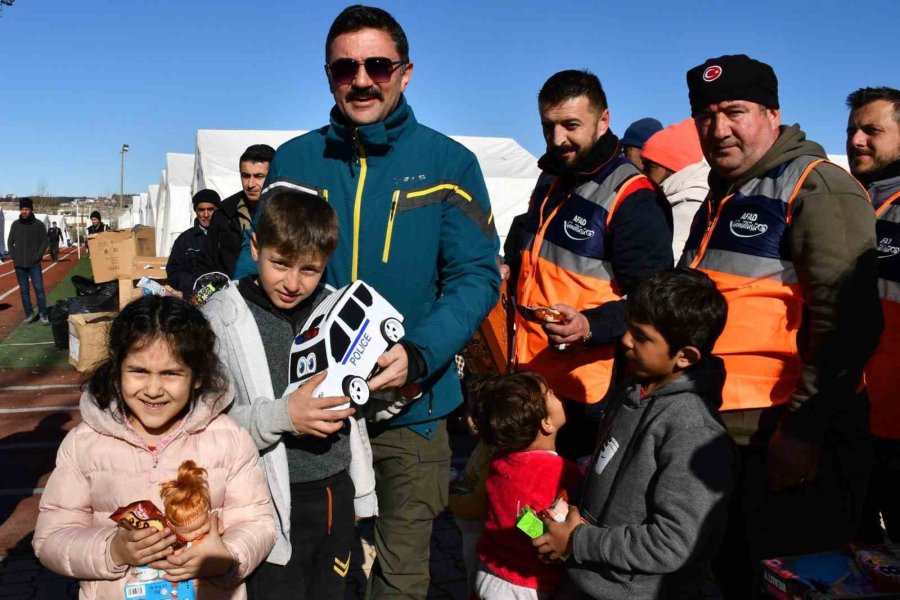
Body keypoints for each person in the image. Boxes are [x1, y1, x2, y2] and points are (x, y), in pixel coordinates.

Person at [233, 6, 500, 598]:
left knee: (400, 574)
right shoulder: (296, 159)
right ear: (328, 75)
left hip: (410, 410)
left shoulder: (450, 163)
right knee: (310, 566)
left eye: (377, 65)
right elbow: (253, 270)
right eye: (344, 67)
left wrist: (420, 352)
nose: (361, 79)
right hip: (309, 412)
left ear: (405, 72)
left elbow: (477, 276)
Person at [678, 54, 882, 597]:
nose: (718, 129)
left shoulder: (818, 189)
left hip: (784, 440)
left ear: (773, 113)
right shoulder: (725, 191)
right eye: (705, 116)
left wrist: (803, 432)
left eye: (735, 112)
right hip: (721, 431)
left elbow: (849, 325)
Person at [32, 295, 275, 599]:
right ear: (117, 370)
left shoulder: (229, 439)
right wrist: (113, 550)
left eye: (171, 374)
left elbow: (258, 524)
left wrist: (226, 557)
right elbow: (51, 538)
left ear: (197, 377)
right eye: (139, 371)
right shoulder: (85, 444)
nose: (153, 389)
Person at [203, 190, 377, 599]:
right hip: (262, 500)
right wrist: (284, 417)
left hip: (335, 490)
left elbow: (362, 412)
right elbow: (205, 427)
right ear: (254, 248)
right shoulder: (221, 318)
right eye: (279, 263)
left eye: (310, 269)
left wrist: (387, 385)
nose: (293, 283)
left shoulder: (339, 306)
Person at [534, 268, 735, 600]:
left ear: (685, 356)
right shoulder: (633, 390)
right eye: (629, 328)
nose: (626, 340)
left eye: (641, 337)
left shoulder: (693, 432)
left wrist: (578, 541)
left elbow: (672, 543)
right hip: (586, 579)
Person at [513, 69, 673, 460]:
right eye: (548, 126)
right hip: (530, 375)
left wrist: (589, 326)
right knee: (524, 506)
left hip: (586, 396)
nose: (557, 139)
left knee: (565, 507)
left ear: (604, 121)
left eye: (570, 125)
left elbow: (653, 301)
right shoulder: (552, 177)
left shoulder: (634, 197)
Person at [845, 86, 900, 544]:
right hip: (849, 417)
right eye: (853, 130)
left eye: (872, 130)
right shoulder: (847, 203)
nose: (858, 140)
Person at [473, 372, 581, 600]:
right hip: (526, 583)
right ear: (547, 423)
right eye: (549, 393)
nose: (557, 394)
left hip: (489, 570)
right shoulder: (562, 471)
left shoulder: (501, 460)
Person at [199, 144, 276, 278]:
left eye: (259, 176)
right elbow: (208, 262)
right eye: (245, 176)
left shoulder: (287, 212)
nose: (250, 184)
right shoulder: (223, 213)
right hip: (231, 292)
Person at [640, 118, 709, 259]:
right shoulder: (673, 197)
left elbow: (664, 262)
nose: (643, 173)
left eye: (650, 167)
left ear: (673, 168)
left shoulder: (689, 206)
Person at [166, 189, 221, 299]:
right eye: (201, 210)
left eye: (211, 209)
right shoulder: (185, 240)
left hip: (225, 298)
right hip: (195, 299)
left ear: (218, 210)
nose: (206, 214)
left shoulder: (228, 236)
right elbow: (173, 272)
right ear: (195, 211)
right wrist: (196, 283)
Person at [7, 197, 49, 324]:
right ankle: (29, 313)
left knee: (39, 289)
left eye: (26, 209)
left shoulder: (38, 225)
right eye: (22, 209)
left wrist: (38, 256)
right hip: (19, 265)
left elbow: (44, 241)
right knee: (24, 291)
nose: (24, 211)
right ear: (20, 210)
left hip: (34, 264)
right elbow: (10, 242)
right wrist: (14, 256)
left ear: (31, 210)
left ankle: (43, 314)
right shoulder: (15, 224)